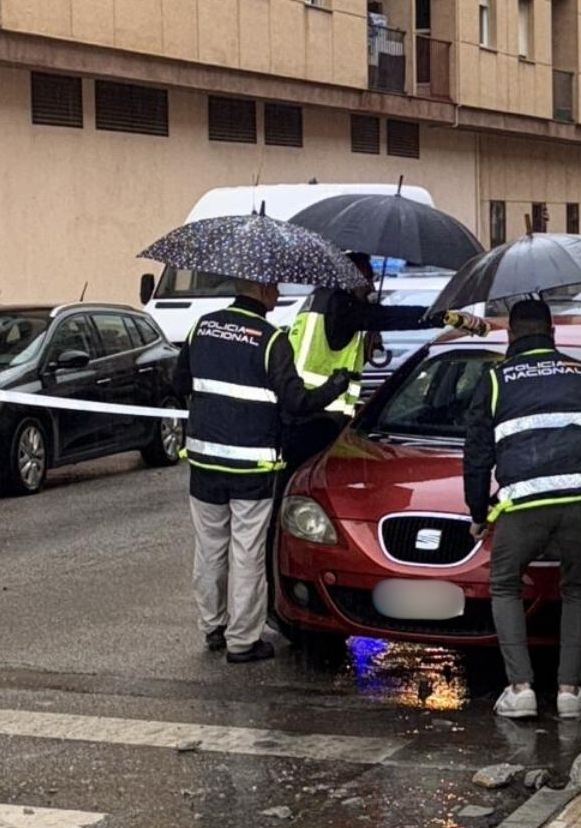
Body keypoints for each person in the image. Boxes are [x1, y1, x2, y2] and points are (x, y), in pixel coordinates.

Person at [174, 280, 352, 664]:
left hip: (204, 461)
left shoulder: (201, 327)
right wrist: (336, 385)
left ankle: (212, 627)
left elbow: (178, 382)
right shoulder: (271, 340)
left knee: (209, 548)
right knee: (247, 551)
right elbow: (298, 402)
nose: (276, 292)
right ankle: (242, 642)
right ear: (259, 289)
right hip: (252, 465)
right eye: (272, 286)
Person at [463, 299, 581, 719]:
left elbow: (477, 454)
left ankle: (521, 690)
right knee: (578, 589)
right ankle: (570, 693)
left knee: (504, 585)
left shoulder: (495, 379)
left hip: (524, 503)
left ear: (512, 335)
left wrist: (478, 514)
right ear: (551, 334)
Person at [283, 252, 489, 471]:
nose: (371, 287)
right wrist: (445, 317)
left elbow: (333, 344)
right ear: (350, 277)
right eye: (367, 278)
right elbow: (392, 316)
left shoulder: (320, 299)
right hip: (315, 415)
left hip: (302, 410)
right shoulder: (339, 304)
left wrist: (367, 335)